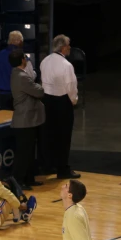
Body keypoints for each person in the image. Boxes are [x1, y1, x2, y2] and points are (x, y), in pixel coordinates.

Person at [40, 35, 79, 180]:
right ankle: (62, 169)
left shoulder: (45, 61)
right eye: (68, 45)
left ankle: (48, 165)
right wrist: (73, 101)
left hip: (47, 101)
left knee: (49, 134)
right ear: (63, 47)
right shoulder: (66, 65)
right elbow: (71, 87)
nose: (69, 47)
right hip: (62, 102)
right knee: (63, 136)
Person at [9, 49, 44, 190]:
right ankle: (17, 182)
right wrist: (39, 86)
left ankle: (29, 179)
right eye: (25, 58)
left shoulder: (18, 74)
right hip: (24, 121)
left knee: (29, 152)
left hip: (28, 120)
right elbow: (39, 91)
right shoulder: (22, 76)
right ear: (22, 60)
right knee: (23, 153)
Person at [0, 30, 35, 110]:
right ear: (20, 42)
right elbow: (30, 76)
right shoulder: (23, 57)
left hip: (3, 94)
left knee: (4, 119)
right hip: (18, 94)